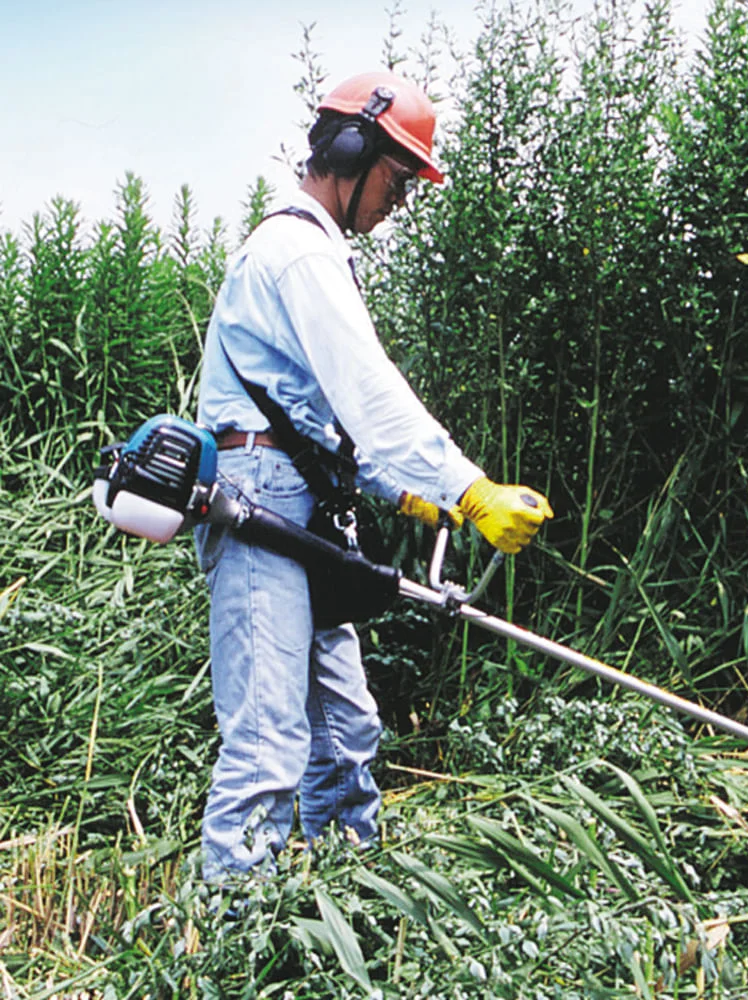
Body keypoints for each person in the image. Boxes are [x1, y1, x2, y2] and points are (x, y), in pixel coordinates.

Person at [193, 69, 552, 882]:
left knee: (346, 733)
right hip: (257, 505)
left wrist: (405, 494)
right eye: (400, 178)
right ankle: (233, 949)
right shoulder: (294, 252)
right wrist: (469, 488)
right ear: (352, 150)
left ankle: (341, 906)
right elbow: (368, 393)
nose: (401, 200)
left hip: (305, 506)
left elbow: (323, 421)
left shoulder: (318, 255)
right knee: (266, 748)